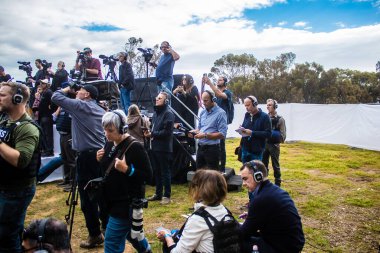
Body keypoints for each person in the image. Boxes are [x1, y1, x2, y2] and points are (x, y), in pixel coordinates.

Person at [52, 84, 107, 248]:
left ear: (87, 94)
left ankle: (95, 234)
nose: (77, 92)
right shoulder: (100, 109)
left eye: (80, 90)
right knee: (102, 194)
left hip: (86, 158)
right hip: (100, 155)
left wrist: (67, 89)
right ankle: (106, 227)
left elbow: (55, 97)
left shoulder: (81, 105)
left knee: (86, 198)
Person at [96, 110, 152, 253]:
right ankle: (146, 250)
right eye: (105, 129)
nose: (106, 133)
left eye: (110, 130)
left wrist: (128, 170)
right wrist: (100, 160)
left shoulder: (135, 147)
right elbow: (108, 171)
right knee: (132, 234)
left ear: (122, 129)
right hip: (111, 201)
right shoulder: (110, 143)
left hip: (125, 203)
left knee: (112, 242)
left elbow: (149, 175)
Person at [0, 82, 40, 252]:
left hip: (16, 190)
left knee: (6, 238)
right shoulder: (6, 121)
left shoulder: (27, 128)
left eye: (2, 95)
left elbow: (20, 160)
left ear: (17, 99)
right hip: (5, 186)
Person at [239, 160, 305, 253]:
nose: (243, 184)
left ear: (258, 176)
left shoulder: (261, 199)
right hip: (293, 243)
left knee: (235, 242)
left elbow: (243, 233)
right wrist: (253, 216)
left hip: (282, 248)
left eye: (245, 179)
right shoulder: (274, 190)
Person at [157, 169, 229, 253]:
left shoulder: (198, 220)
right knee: (176, 232)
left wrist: (167, 236)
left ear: (199, 190)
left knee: (170, 242)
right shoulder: (225, 211)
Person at [145, 92, 175, 205]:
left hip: (164, 148)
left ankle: (166, 196)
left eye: (160, 98)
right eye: (157, 97)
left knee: (165, 172)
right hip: (155, 147)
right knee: (157, 171)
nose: (157, 99)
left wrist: (152, 134)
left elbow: (167, 132)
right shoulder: (157, 113)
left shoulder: (169, 114)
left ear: (166, 101)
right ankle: (158, 194)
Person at [189, 90, 227, 171]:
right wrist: (194, 131)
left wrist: (205, 135)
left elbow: (222, 134)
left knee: (212, 177)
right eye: (202, 100)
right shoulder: (202, 113)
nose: (203, 103)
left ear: (213, 100)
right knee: (200, 175)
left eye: (206, 100)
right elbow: (200, 129)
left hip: (212, 149)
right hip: (200, 148)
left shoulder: (221, 113)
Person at [204, 75, 233, 172]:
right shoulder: (215, 96)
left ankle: (222, 169)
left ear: (225, 82)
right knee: (214, 146)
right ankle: (214, 167)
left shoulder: (227, 93)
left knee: (221, 145)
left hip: (222, 123)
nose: (218, 81)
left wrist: (209, 83)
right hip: (213, 123)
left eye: (220, 80)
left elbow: (220, 94)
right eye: (218, 79)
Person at [239, 96, 271, 163]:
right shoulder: (247, 115)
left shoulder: (265, 117)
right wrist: (242, 129)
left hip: (257, 150)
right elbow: (245, 127)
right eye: (245, 106)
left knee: (255, 171)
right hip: (245, 148)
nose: (246, 108)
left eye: (248, 105)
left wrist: (252, 133)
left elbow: (268, 134)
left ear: (255, 104)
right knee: (245, 171)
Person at [262, 99, 286, 187]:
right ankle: (264, 183)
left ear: (275, 106)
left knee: (275, 165)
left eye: (270, 105)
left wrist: (276, 138)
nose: (268, 106)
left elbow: (283, 135)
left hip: (274, 145)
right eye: (267, 105)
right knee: (263, 165)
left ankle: (277, 184)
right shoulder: (264, 117)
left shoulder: (280, 119)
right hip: (265, 144)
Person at [38, 79, 55, 157]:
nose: (41, 84)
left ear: (47, 84)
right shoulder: (43, 93)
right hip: (42, 115)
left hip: (47, 116)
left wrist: (50, 108)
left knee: (48, 134)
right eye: (41, 83)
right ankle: (46, 150)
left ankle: (49, 150)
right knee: (44, 134)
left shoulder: (48, 92)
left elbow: (53, 102)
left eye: (43, 83)